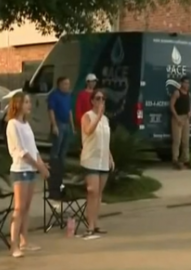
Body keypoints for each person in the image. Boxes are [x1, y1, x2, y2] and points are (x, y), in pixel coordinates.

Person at [6, 92, 49, 258]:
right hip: (20, 170)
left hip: (31, 170)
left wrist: (41, 164)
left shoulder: (26, 124)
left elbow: (33, 149)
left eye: (29, 102)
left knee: (27, 207)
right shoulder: (13, 124)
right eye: (26, 102)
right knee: (19, 207)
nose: (29, 105)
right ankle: (14, 244)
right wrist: (39, 166)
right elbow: (21, 151)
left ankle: (25, 241)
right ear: (18, 104)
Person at [80, 89, 114, 240]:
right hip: (91, 159)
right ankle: (90, 225)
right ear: (92, 101)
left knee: (99, 193)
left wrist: (110, 157)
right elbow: (88, 131)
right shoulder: (87, 116)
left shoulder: (106, 120)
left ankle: (96, 222)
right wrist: (98, 116)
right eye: (98, 98)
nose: (101, 102)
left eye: (103, 99)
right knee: (92, 191)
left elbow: (105, 140)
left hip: (103, 160)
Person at [47, 77, 74, 208]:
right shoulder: (54, 95)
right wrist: (54, 125)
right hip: (58, 123)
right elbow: (51, 111)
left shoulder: (68, 96)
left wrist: (72, 126)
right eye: (64, 84)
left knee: (64, 150)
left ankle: (61, 170)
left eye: (68, 84)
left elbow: (69, 111)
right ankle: (53, 171)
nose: (67, 86)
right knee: (56, 150)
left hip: (66, 124)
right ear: (59, 84)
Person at [170, 76, 191, 170]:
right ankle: (175, 160)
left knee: (186, 140)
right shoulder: (177, 93)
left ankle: (186, 160)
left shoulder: (189, 94)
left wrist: (190, 112)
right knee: (177, 140)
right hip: (177, 118)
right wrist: (177, 118)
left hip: (186, 118)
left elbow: (190, 104)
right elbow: (171, 105)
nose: (187, 85)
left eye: (188, 83)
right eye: (185, 83)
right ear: (181, 83)